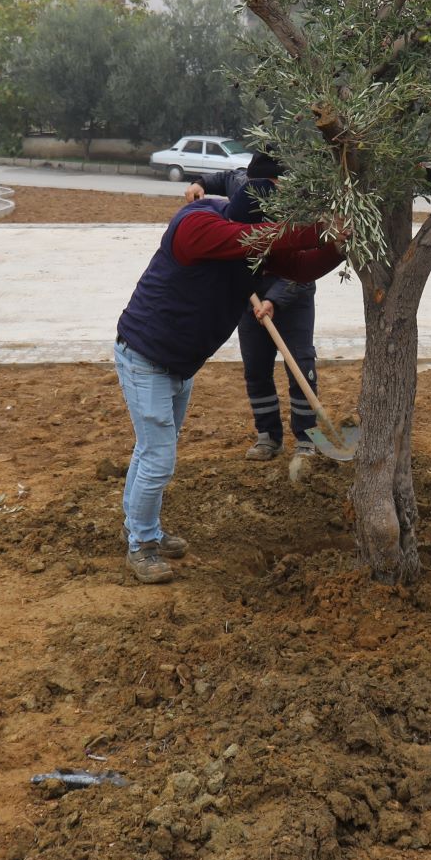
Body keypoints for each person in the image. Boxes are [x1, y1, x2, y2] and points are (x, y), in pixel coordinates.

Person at [114, 185, 342, 583]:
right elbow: (266, 237)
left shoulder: (253, 244)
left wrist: (338, 244)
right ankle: (141, 545)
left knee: (150, 450)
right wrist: (321, 226)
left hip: (178, 363)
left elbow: (302, 269)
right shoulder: (196, 224)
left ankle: (139, 526)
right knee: (158, 457)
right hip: (146, 355)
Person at [189, 154, 321, 460]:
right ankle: (268, 437)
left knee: (301, 365)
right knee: (256, 369)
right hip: (249, 293)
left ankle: (307, 438)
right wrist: (198, 184)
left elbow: (305, 269)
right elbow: (222, 178)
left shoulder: (297, 205)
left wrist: (274, 300)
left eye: (274, 185)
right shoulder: (243, 186)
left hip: (292, 292)